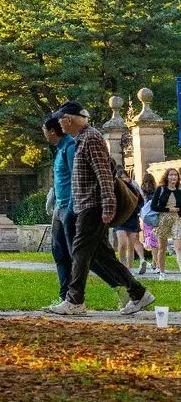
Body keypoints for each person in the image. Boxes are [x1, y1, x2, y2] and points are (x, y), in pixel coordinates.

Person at [47, 101, 153, 316]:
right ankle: (139, 293)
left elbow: (104, 175)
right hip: (84, 205)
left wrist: (108, 207)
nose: (59, 124)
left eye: (61, 119)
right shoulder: (82, 139)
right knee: (100, 256)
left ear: (69, 119)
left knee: (80, 252)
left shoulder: (92, 138)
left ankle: (75, 300)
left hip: (93, 206)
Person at [149, 168, 181, 278]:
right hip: (163, 220)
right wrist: (168, 210)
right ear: (167, 177)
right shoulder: (160, 189)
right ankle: (162, 272)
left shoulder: (179, 190)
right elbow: (153, 206)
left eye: (175, 175)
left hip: (176, 219)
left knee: (179, 246)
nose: (173, 177)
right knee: (162, 247)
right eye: (171, 175)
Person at [138, 173, 160, 275]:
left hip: (146, 218)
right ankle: (155, 263)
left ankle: (155, 263)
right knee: (155, 241)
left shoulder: (142, 191)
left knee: (152, 242)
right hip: (155, 217)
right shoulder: (157, 190)